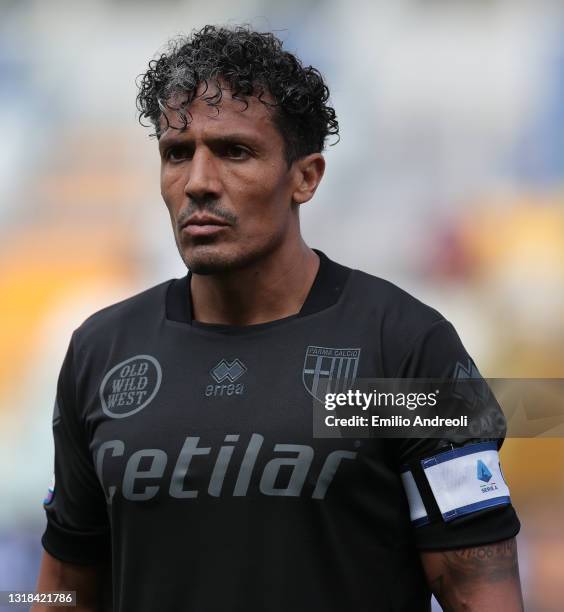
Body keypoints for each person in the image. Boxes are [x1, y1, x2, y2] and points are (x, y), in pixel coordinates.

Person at [33, 25, 523, 612]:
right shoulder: (102, 351)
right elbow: (64, 587)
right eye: (177, 154)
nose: (198, 183)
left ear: (305, 177)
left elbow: (480, 592)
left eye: (235, 152)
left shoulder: (406, 349)